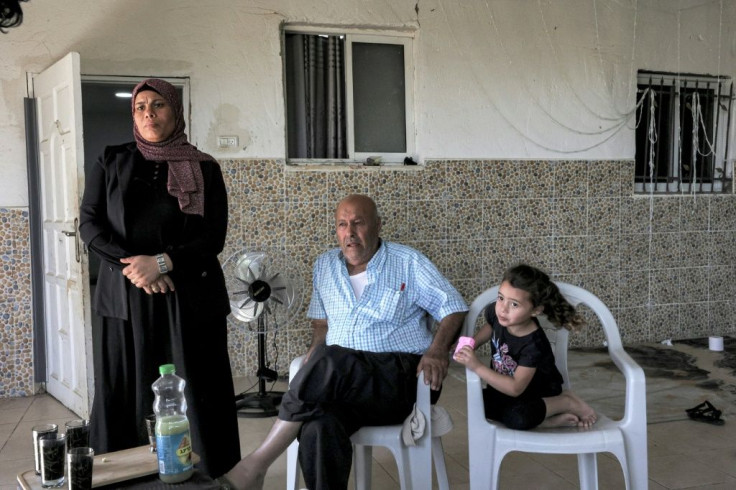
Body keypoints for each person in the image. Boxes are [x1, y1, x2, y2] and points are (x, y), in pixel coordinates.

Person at [220, 194, 468, 490]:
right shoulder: (324, 265)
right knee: (317, 426)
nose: (349, 233)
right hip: (342, 384)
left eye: (358, 223)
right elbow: (321, 324)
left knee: (334, 359)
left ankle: (256, 464)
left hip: (399, 379)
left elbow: (454, 307)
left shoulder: (408, 261)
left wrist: (438, 350)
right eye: (342, 224)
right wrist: (315, 354)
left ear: (377, 225)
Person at [79, 78, 240, 477]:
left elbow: (212, 236)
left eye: (158, 105)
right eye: (140, 107)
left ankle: (206, 474)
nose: (148, 113)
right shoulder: (110, 160)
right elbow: (89, 224)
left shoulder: (204, 167)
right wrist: (135, 267)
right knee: (126, 390)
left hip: (190, 298)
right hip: (125, 298)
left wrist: (164, 263)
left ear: (175, 110)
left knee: (196, 389)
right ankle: (127, 477)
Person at [454, 264, 597, 430]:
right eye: (501, 298)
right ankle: (544, 421)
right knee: (477, 403)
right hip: (504, 391)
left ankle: (566, 402)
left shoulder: (533, 345)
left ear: (535, 311)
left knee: (519, 417)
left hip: (535, 395)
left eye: (514, 304)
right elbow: (491, 326)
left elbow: (515, 388)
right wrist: (471, 343)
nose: (503, 309)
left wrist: (476, 366)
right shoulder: (499, 315)